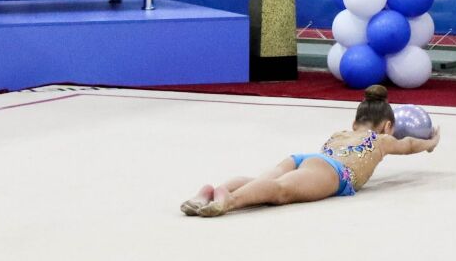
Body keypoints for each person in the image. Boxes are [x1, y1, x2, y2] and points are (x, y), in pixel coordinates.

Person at [181, 84, 441, 217]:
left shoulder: (342, 133)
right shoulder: (381, 139)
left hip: (303, 159)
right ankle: (229, 200)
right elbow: (408, 145)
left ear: (355, 123)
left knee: (263, 181)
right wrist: (430, 143)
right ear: (388, 126)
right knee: (280, 192)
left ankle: (209, 193)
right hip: (333, 171)